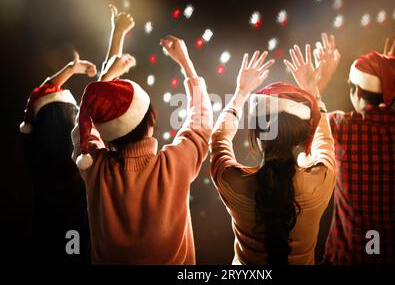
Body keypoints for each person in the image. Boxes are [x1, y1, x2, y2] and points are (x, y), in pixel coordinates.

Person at [71, 31, 213, 264]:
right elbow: (202, 122)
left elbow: (82, 130)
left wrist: (106, 79)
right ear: (152, 119)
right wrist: (186, 64)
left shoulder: (94, 167)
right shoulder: (175, 165)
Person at [317, 35, 395, 264]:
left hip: (351, 258)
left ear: (358, 93)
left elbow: (303, 122)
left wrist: (319, 80)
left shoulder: (341, 128)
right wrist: (392, 83)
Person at [210, 47, 336, 265]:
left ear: (257, 133)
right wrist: (313, 89)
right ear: (304, 135)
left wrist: (241, 92)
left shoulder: (231, 182)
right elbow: (324, 139)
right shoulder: (322, 180)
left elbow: (218, 138)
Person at [21, 51, 97, 264]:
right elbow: (103, 97)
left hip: (42, 245)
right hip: (78, 251)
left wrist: (71, 69)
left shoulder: (33, 151)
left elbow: (37, 100)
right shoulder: (83, 164)